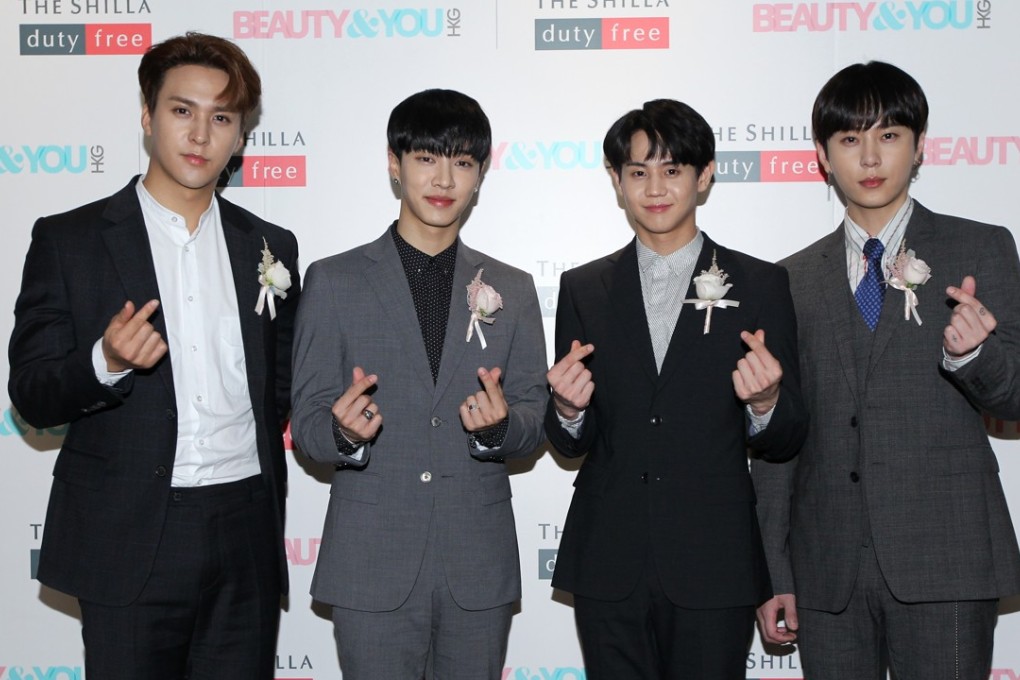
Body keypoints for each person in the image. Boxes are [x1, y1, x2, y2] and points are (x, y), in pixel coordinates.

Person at [7, 32, 300, 680]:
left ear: (240, 136)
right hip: (129, 533)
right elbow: (31, 391)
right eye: (181, 110)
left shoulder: (270, 246)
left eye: (221, 118)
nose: (200, 134)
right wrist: (105, 361)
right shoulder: (70, 240)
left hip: (245, 531)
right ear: (147, 116)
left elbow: (278, 385)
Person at [752, 61, 1020, 680]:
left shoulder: (980, 248)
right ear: (823, 156)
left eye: (890, 135)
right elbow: (777, 440)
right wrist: (773, 569)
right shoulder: (788, 279)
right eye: (850, 139)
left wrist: (974, 356)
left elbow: (1014, 395)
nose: (870, 157)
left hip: (947, 557)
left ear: (920, 146)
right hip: (826, 569)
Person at [544, 98, 807, 680]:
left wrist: (765, 403)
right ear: (616, 180)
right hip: (608, 556)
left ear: (704, 175)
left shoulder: (760, 283)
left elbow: (788, 434)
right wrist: (566, 410)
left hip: (715, 557)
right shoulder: (583, 288)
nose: (655, 188)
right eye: (638, 171)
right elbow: (570, 442)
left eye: (672, 169)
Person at [290, 88, 547, 680]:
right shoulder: (334, 281)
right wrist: (343, 434)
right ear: (394, 163)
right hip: (370, 560)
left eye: (462, 162)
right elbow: (307, 425)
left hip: (476, 563)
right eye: (427, 158)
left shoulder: (511, 288)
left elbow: (534, 414)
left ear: (480, 175)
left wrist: (500, 429)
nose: (444, 179)